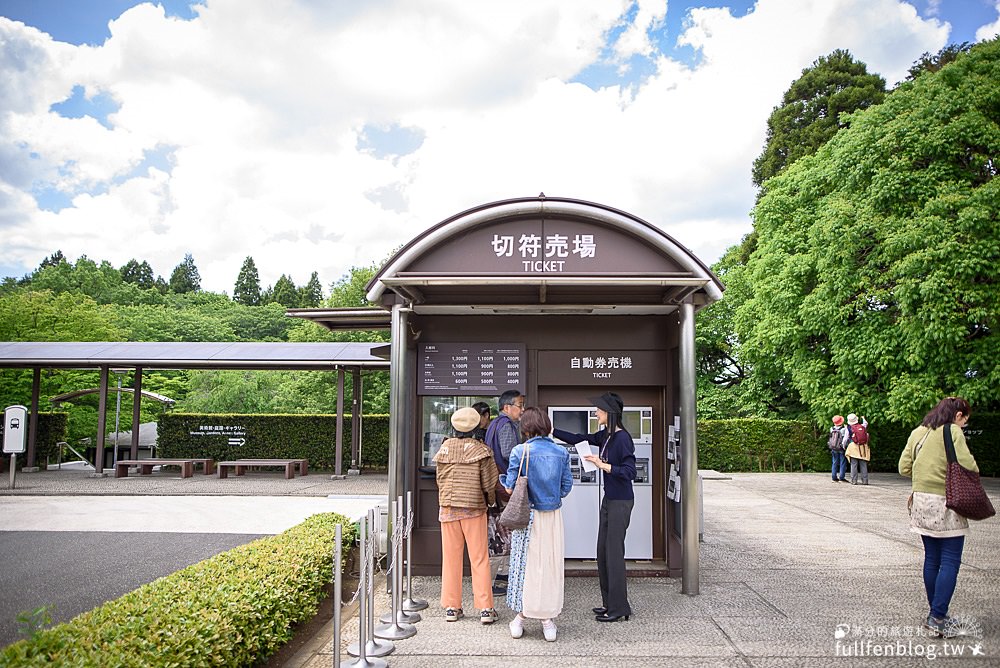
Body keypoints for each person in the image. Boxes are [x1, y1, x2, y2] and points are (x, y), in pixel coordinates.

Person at [898, 396, 979, 638]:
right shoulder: (952, 432)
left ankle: (936, 614)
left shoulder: (919, 432)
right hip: (947, 502)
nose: (964, 423)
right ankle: (938, 616)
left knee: (932, 558)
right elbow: (969, 465)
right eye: (965, 419)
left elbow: (903, 467)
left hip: (921, 502)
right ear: (958, 415)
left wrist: (924, 473)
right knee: (951, 560)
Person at [552, 391, 636, 623]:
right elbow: (580, 438)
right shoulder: (606, 436)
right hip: (609, 500)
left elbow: (629, 472)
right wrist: (552, 431)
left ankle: (620, 608)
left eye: (599, 410)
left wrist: (603, 465)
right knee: (603, 553)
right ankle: (609, 604)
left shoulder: (622, 438)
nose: (595, 412)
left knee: (614, 554)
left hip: (621, 502)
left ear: (609, 413)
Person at [504, 407, 573, 642]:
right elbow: (566, 487)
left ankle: (520, 618)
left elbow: (511, 487)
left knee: (525, 568)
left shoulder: (519, 451)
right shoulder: (561, 452)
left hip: (528, 516)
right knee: (550, 567)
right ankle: (547, 621)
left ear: (526, 427)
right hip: (552, 516)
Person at [433, 406, 500, 625]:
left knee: (451, 558)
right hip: (473, 508)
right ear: (476, 425)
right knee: (479, 558)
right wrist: (490, 501)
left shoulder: (444, 449)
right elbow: (490, 483)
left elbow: (440, 479)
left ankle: (452, 607)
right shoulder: (481, 451)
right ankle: (485, 609)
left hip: (448, 508)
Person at [484, 389, 524, 595]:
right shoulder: (506, 425)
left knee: (499, 531)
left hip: (495, 485)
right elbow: (510, 453)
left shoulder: (493, 424)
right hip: (504, 486)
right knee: (504, 533)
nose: (522, 410)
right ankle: (493, 581)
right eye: (520, 405)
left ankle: (502, 574)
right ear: (507, 407)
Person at [844, 413, 870, 485]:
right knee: (863, 464)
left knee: (854, 464)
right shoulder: (862, 426)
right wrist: (863, 418)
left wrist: (843, 445)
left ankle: (854, 480)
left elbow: (845, 438)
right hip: (863, 447)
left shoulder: (849, 428)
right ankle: (865, 481)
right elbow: (866, 423)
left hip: (853, 447)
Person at [828, 415, 849, 483]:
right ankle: (841, 478)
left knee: (834, 462)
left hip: (833, 447)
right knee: (842, 462)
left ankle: (834, 477)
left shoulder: (831, 428)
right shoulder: (843, 429)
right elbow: (846, 437)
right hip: (841, 447)